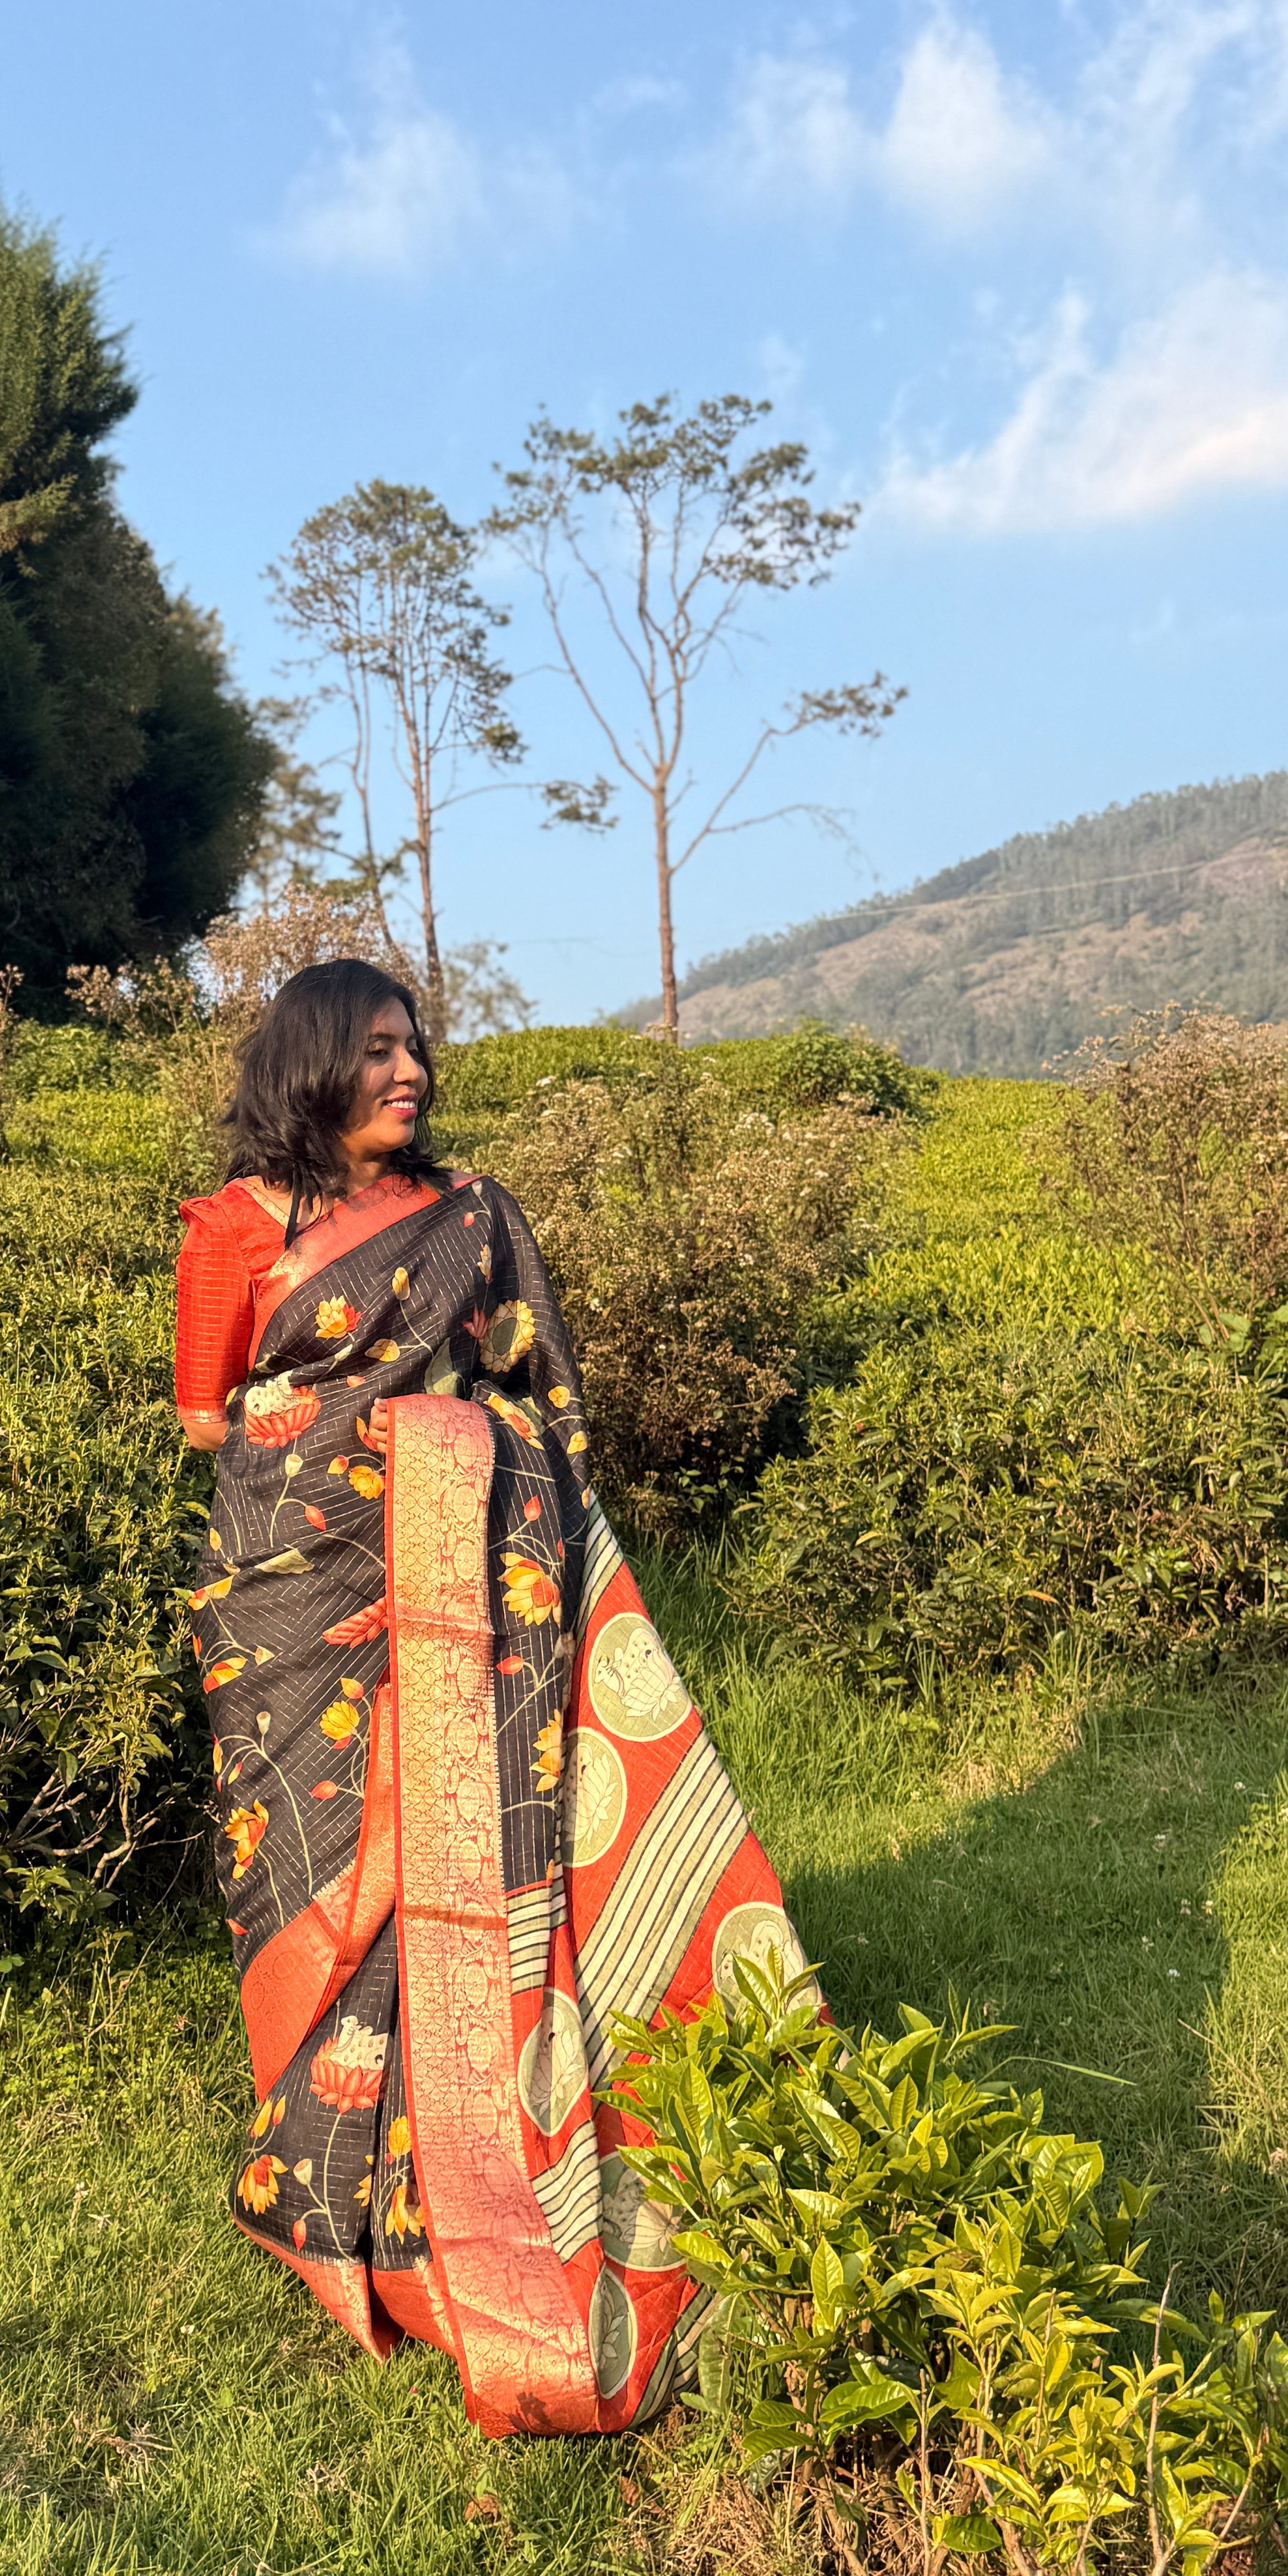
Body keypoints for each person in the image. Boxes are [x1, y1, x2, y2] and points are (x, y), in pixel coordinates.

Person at [173, 957, 806, 2439]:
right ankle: (331, 2176)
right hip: (290, 1599)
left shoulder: (475, 1218)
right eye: (379, 1053)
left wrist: (457, 1444)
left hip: (464, 1586)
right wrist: (328, 1437)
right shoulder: (227, 1230)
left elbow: (545, 1402)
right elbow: (208, 1417)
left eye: (416, 1052)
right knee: (313, 1876)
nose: (410, 1074)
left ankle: (463, 2184)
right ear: (312, 1066)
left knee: (460, 1872)